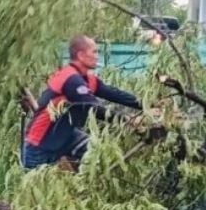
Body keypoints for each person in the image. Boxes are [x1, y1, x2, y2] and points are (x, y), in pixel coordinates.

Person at [21, 35, 142, 170]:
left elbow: (115, 94)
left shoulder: (86, 79)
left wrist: (146, 105)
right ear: (81, 55)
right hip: (40, 145)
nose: (97, 56)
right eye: (94, 52)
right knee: (42, 188)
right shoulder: (71, 79)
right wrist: (127, 120)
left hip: (65, 135)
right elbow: (93, 108)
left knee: (98, 154)